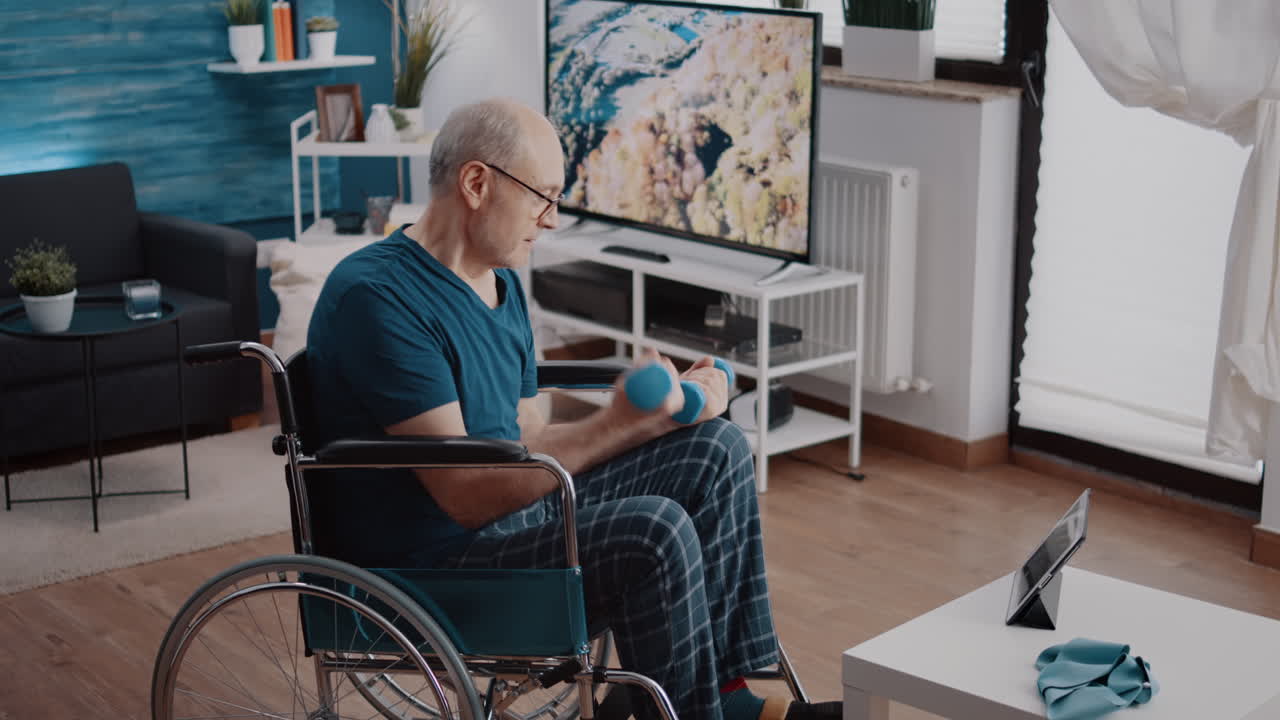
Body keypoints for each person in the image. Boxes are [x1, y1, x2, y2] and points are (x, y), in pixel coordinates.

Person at [305, 98, 840, 720]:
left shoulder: (498, 282)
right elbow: (465, 494)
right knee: (654, 530)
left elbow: (527, 429)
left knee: (714, 450)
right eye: (543, 196)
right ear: (477, 183)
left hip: (505, 527)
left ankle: (730, 698)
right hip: (431, 570)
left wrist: (661, 418)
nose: (553, 220)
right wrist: (620, 422)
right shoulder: (379, 298)